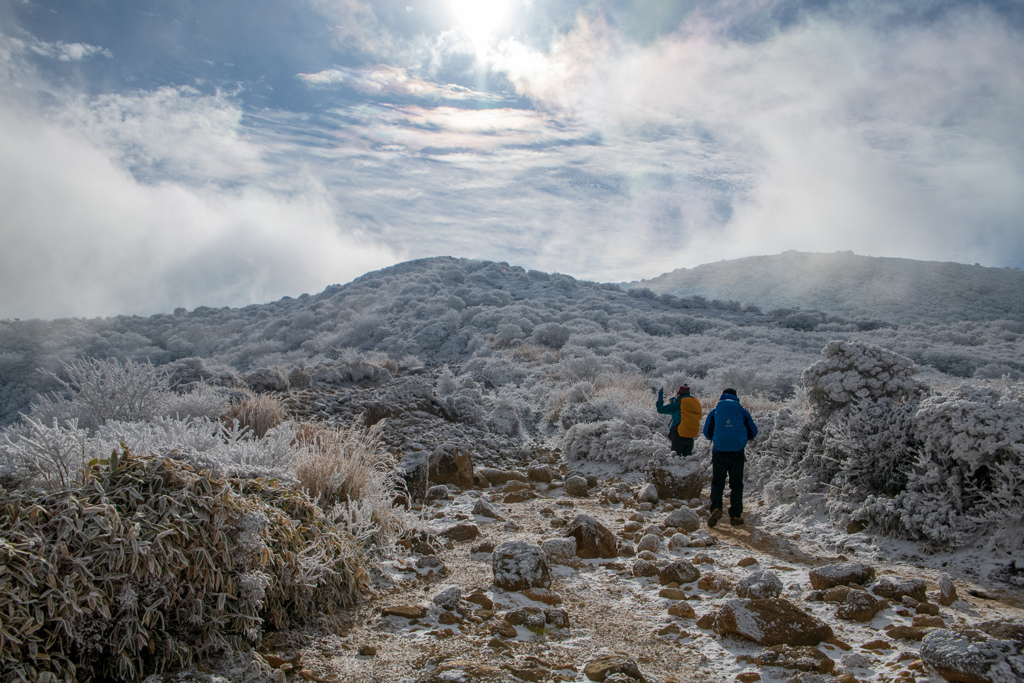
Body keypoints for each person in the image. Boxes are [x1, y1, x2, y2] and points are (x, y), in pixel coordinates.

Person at [702, 388, 757, 527]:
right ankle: (735, 515)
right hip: (737, 453)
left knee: (717, 482)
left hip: (719, 452)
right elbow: (753, 432)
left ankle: (716, 508)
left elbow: (707, 432)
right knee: (736, 484)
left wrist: (716, 438)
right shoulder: (742, 411)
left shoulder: (715, 411)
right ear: (736, 397)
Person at [656, 385, 702, 456]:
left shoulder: (677, 405)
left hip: (678, 433)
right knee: (687, 459)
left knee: (675, 458)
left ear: (679, 394)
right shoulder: (694, 405)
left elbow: (661, 409)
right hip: (690, 434)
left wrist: (660, 398)